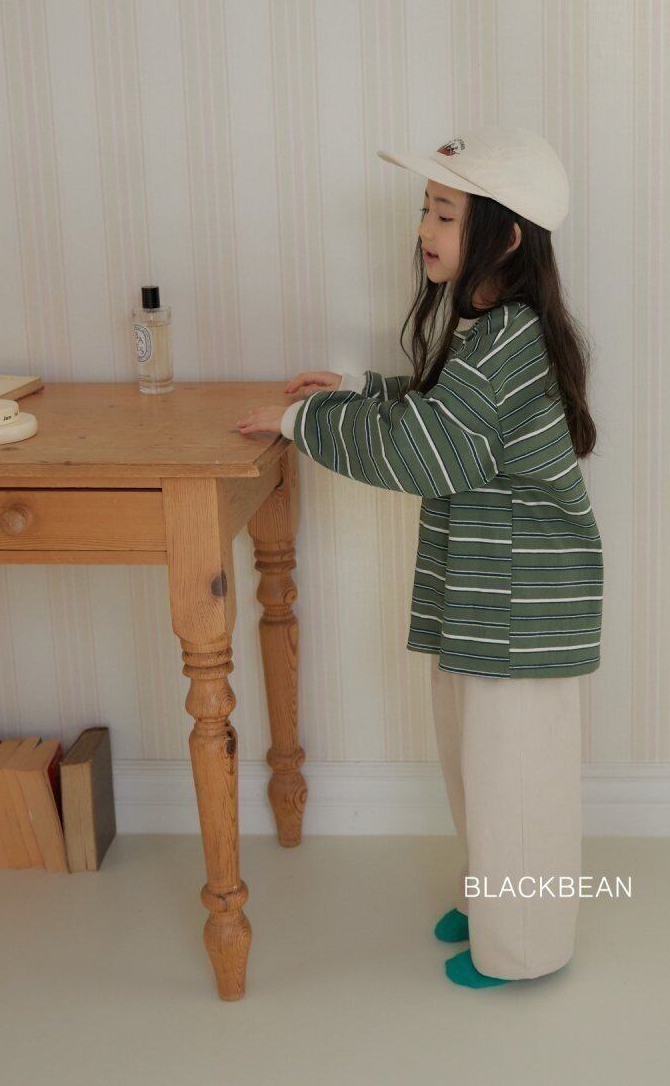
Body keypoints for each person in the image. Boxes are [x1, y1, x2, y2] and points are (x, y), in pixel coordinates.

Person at [236, 125, 602, 988]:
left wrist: (302, 422)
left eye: (443, 213)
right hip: (487, 604)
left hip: (519, 612)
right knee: (480, 770)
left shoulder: (507, 339)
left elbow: (421, 451)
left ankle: (524, 949)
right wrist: (357, 389)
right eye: (426, 210)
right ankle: (492, 905)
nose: (423, 229)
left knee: (518, 791)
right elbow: (446, 411)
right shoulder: (496, 334)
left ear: (505, 238)